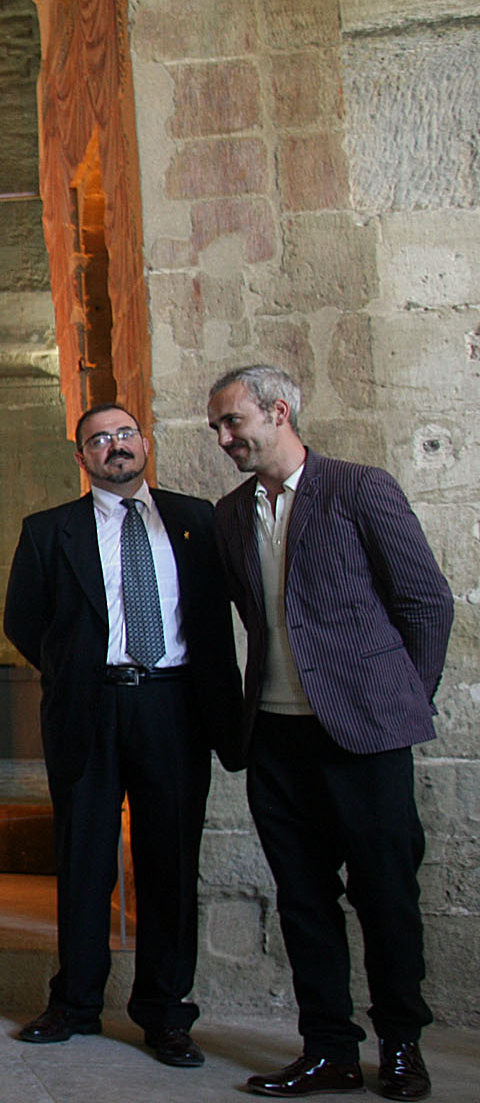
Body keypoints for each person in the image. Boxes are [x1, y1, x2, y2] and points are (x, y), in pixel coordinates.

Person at [207, 365, 452, 1101]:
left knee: (385, 896)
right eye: (217, 427)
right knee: (303, 900)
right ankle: (329, 1050)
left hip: (364, 738)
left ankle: (402, 1048)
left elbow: (426, 603)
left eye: (232, 422)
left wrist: (399, 702)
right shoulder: (229, 514)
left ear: (278, 412)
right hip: (275, 738)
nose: (223, 438)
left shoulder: (358, 488)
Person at [1, 403, 239, 1068]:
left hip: (173, 707)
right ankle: (75, 1003)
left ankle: (165, 1013)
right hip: (90, 708)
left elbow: (216, 616)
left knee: (170, 863)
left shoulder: (197, 520)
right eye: (99, 439)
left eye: (125, 434)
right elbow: (24, 622)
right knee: (83, 860)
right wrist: (79, 671)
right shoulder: (49, 531)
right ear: (82, 456)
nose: (115, 446)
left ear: (145, 443)